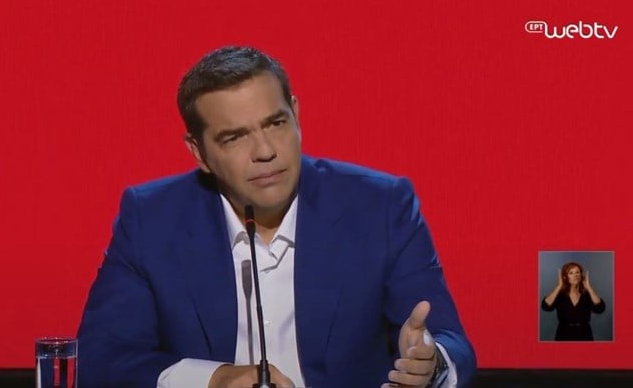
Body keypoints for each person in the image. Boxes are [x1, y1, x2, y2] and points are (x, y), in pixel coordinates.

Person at [77, 46, 476, 387]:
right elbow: (101, 357)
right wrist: (214, 379)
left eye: (276, 123)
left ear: (296, 115)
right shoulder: (152, 219)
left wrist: (432, 364)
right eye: (235, 137)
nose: (265, 151)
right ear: (199, 152)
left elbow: (450, 342)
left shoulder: (380, 206)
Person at [542, 262, 605, 341]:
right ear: (565, 277)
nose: (575, 275)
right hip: (563, 335)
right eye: (571, 273)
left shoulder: (587, 295)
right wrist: (559, 286)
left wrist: (589, 288)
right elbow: (545, 307)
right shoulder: (560, 295)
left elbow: (600, 309)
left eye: (577, 272)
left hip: (585, 335)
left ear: (581, 275)